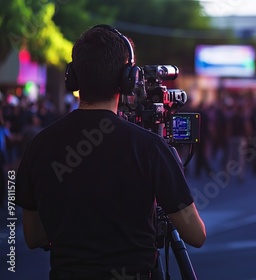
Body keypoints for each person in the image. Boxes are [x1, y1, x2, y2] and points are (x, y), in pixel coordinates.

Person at [14, 24, 206, 280]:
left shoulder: (39, 145)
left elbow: (34, 236)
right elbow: (196, 235)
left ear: (72, 77)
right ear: (128, 80)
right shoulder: (150, 147)